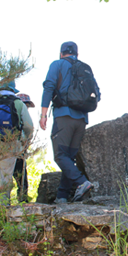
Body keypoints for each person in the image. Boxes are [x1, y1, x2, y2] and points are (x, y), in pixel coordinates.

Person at [39, 41, 100, 204]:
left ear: (61, 53)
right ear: (77, 54)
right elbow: (97, 93)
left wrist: (44, 114)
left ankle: (82, 182)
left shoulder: (57, 64)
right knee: (69, 158)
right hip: (82, 119)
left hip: (64, 116)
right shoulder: (85, 68)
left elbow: (49, 87)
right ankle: (62, 196)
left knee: (60, 156)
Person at [13, 93, 35, 203]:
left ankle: (3, 203)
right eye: (27, 105)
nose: (27, 107)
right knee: (22, 180)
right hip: (18, 150)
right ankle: (22, 201)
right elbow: (29, 128)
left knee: (6, 177)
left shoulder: (10, 111)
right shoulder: (22, 115)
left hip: (1, 148)